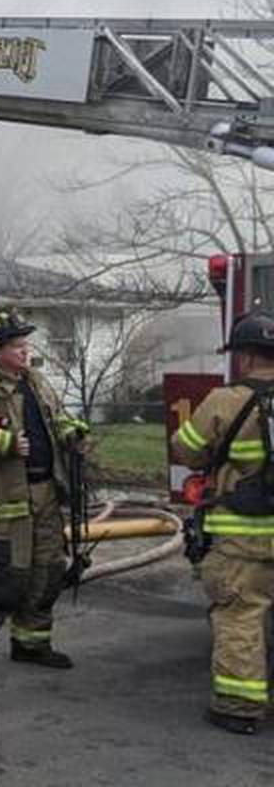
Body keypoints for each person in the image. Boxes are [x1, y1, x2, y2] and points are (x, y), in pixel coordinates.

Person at [0, 307, 91, 670]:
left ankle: (31, 643)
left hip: (44, 491)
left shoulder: (37, 382)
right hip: (4, 497)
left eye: (25, 344)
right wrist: (3, 441)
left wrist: (72, 432)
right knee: (10, 574)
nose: (25, 351)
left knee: (48, 571)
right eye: (16, 345)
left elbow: (58, 417)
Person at [170, 310, 274, 735]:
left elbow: (187, 450)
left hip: (242, 534)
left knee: (239, 613)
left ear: (246, 358)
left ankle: (237, 706)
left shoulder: (225, 400)